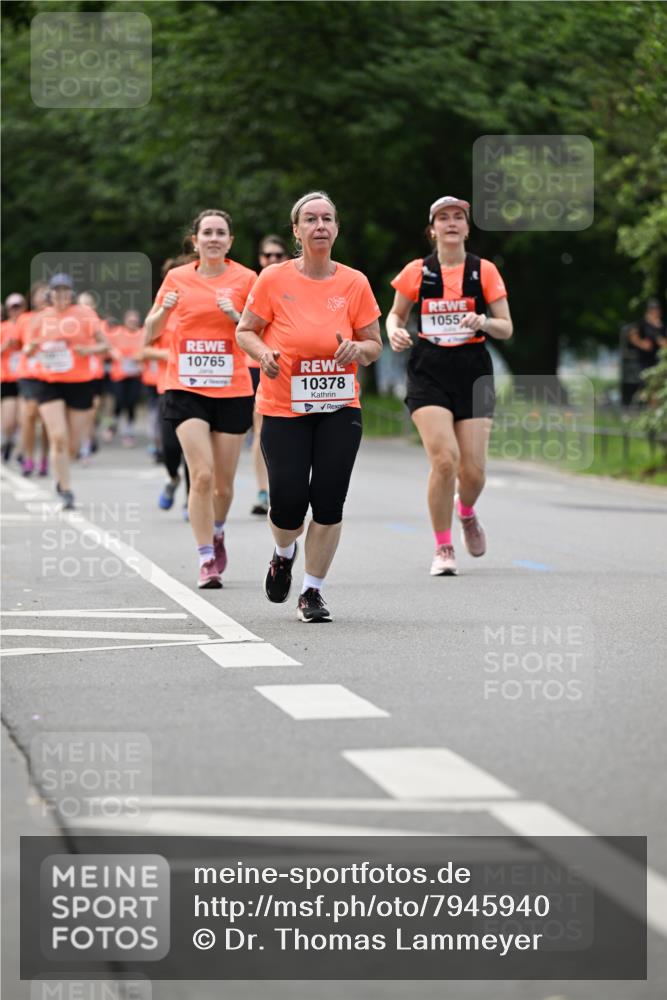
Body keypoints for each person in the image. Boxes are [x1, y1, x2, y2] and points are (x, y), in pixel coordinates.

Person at [237, 191, 382, 622]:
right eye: (311, 219)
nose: (320, 225)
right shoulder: (274, 279)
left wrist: (358, 349)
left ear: (337, 229)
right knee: (286, 504)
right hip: (283, 406)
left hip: (339, 405)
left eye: (328, 219)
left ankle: (312, 591)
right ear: (296, 231)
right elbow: (246, 331)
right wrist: (263, 354)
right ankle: (283, 553)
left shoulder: (354, 282)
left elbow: (374, 345)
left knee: (330, 501)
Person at [387, 195, 513, 576]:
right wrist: (394, 332)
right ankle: (443, 547)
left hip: (473, 369)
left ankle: (466, 511)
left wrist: (484, 322)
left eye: (459, 217)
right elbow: (395, 314)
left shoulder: (484, 270)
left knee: (473, 473)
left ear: (467, 228)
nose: (452, 223)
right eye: (444, 218)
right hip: (429, 369)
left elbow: (506, 327)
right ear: (433, 229)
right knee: (445, 460)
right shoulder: (416, 271)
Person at [145, 210, 257, 588]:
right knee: (203, 475)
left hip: (232, 388)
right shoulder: (176, 278)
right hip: (185, 386)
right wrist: (164, 310)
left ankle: (218, 530)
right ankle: (206, 558)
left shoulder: (246, 278)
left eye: (220, 233)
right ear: (195, 240)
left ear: (230, 241)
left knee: (224, 485)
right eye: (206, 232)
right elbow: (149, 331)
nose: (213, 238)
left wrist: (236, 315)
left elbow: (261, 331)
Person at [25, 273, 108, 509]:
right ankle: (66, 488)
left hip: (80, 382)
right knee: (58, 438)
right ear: (50, 294)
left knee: (71, 445)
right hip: (49, 382)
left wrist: (87, 349)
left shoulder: (85, 314)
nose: (61, 295)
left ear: (70, 293)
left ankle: (61, 474)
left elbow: (105, 345)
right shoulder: (41, 318)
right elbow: (29, 350)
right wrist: (33, 346)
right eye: (57, 291)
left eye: (65, 290)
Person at [247, 235, 291, 515]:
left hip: (291, 368)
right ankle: (264, 492)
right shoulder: (252, 284)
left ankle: (291, 486)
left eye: (278, 255)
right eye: (267, 256)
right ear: (260, 259)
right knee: (262, 430)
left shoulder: (295, 284)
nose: (272, 260)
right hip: (255, 366)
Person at [15, 282, 50, 475]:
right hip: (28, 373)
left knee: (46, 419)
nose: (43, 297)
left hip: (50, 373)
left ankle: (44, 458)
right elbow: (18, 345)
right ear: (33, 297)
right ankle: (28, 458)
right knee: (29, 414)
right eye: (39, 294)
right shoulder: (24, 319)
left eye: (46, 294)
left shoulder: (57, 318)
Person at [107, 309, 145, 447]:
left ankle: (129, 431)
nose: (132, 322)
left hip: (135, 374)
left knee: (131, 402)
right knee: (119, 400)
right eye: (130, 320)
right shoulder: (117, 332)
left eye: (135, 320)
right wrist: (114, 353)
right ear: (125, 320)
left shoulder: (143, 334)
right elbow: (107, 345)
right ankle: (112, 424)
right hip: (119, 374)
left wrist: (140, 357)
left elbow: (148, 348)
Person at [623, 298, 666, 406]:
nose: (656, 312)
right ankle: (650, 408)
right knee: (650, 387)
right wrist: (642, 344)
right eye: (653, 310)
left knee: (657, 387)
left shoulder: (661, 326)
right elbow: (632, 336)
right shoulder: (642, 323)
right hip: (644, 362)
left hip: (658, 361)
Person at [1, 293, 26, 461]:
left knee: (23, 418)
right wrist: (6, 345)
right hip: (8, 378)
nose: (16, 310)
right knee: (9, 421)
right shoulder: (3, 328)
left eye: (19, 307)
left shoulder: (29, 324)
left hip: (26, 377)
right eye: (13, 307)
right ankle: (8, 440)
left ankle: (20, 450)